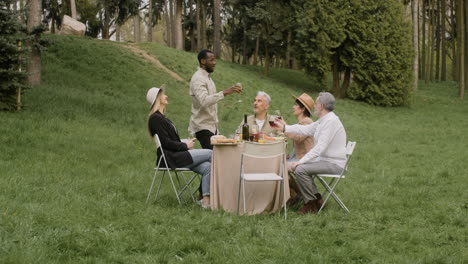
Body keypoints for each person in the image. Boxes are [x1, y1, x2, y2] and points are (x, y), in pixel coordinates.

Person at [272, 92, 347, 215]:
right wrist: (285, 128)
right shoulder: (324, 120)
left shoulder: (330, 121)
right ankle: (316, 199)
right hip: (326, 161)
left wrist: (300, 161)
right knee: (300, 168)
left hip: (334, 164)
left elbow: (320, 148)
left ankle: (311, 203)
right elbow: (306, 129)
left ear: (321, 106)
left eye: (316, 103)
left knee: (300, 169)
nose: (314, 106)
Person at [147, 86, 212, 208]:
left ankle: (205, 201)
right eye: (163, 95)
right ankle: (219, 194)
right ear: (157, 99)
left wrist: (185, 144)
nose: (166, 96)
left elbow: (171, 141)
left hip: (179, 155)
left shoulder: (162, 118)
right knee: (211, 153)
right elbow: (166, 143)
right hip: (172, 158)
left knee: (208, 167)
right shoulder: (155, 119)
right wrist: (185, 145)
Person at [189, 49, 243, 149]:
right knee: (214, 157)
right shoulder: (198, 79)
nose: (214, 63)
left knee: (219, 155)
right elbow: (204, 101)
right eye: (211, 60)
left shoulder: (208, 79)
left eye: (214, 60)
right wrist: (225, 92)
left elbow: (211, 100)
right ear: (203, 61)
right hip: (202, 127)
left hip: (212, 127)